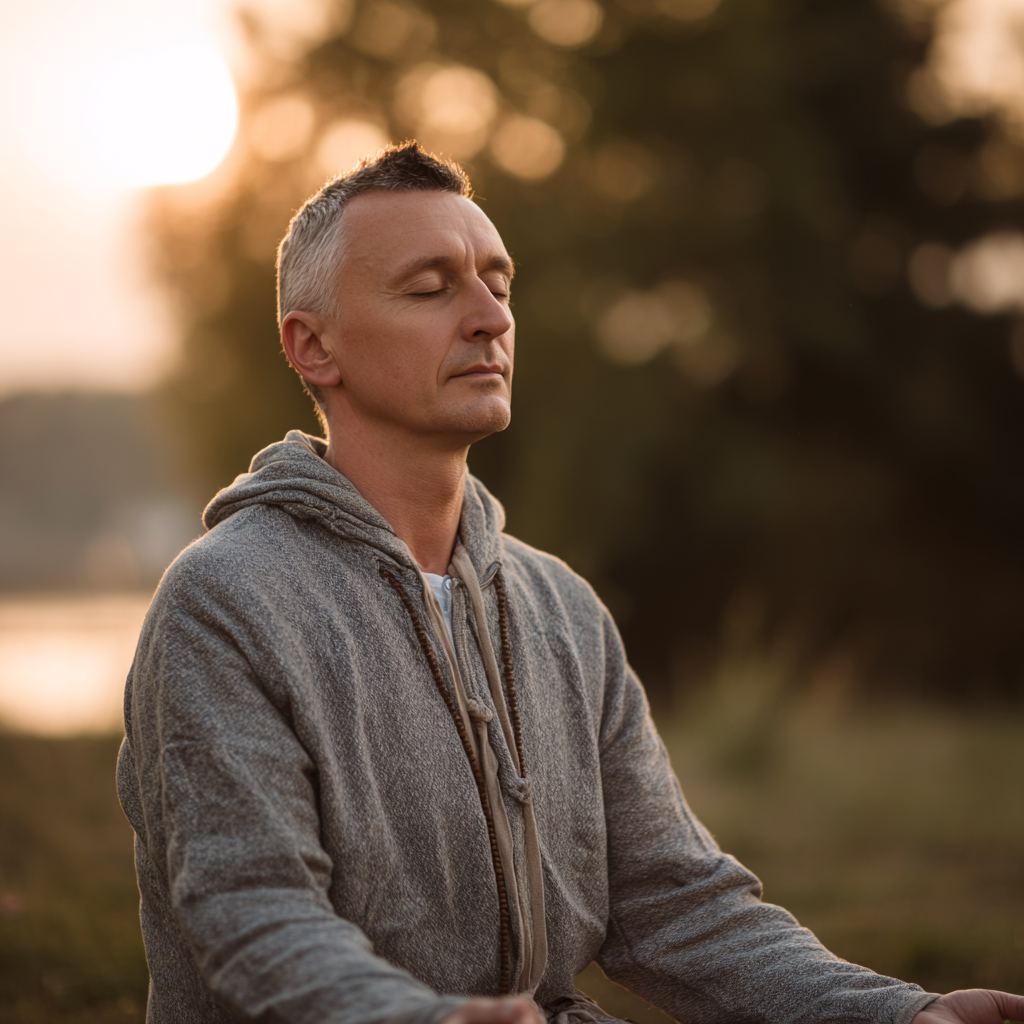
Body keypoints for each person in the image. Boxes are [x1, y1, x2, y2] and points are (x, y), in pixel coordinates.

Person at [116, 143, 1023, 1024]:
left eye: (499, 286)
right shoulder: (227, 602)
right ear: (314, 348)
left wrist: (897, 1014)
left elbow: (672, 903)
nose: (489, 317)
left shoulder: (562, 610)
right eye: (431, 289)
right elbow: (252, 920)